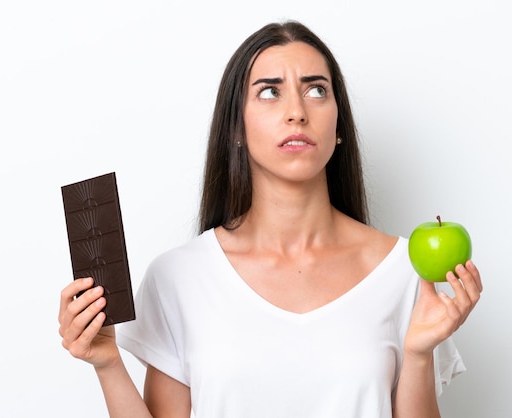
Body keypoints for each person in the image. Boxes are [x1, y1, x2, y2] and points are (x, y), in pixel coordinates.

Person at [58, 20, 483, 418]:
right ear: (236, 127)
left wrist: (420, 354)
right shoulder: (178, 276)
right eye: (269, 92)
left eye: (317, 90)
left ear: (339, 124)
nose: (297, 111)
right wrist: (108, 364)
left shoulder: (404, 270)